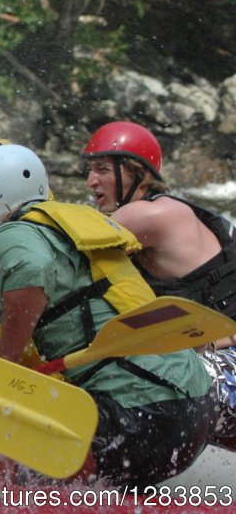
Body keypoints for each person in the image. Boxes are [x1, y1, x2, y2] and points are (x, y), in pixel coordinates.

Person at [0, 144, 216, 486]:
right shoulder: (70, 224)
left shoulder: (10, 235)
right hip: (196, 408)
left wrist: (6, 364)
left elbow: (31, 269)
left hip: (139, 413)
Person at [84, 120, 236, 450]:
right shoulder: (166, 209)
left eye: (103, 170)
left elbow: (67, 242)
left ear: (135, 173)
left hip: (225, 370)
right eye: (90, 170)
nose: (91, 181)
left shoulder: (150, 216)